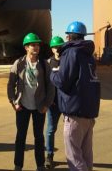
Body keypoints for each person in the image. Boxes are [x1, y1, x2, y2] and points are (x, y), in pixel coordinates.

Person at [50, 21, 100, 171]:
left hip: (74, 113)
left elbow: (63, 81)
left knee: (74, 157)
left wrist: (53, 73)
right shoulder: (88, 55)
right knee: (86, 155)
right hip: (88, 113)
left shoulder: (71, 52)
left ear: (69, 36)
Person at [7, 33, 55, 171]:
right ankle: (18, 165)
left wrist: (47, 104)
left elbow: (51, 86)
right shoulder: (19, 63)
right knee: (20, 137)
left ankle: (40, 165)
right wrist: (14, 102)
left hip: (39, 107)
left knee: (39, 137)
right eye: (33, 45)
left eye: (38, 44)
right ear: (26, 47)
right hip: (22, 106)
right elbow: (11, 84)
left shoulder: (44, 64)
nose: (36, 47)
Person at [45, 36, 64, 169]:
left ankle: (74, 156)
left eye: (59, 46)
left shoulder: (68, 61)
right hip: (53, 104)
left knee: (71, 131)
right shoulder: (47, 63)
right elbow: (45, 83)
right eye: (55, 47)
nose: (57, 49)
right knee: (51, 130)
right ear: (51, 49)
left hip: (68, 103)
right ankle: (49, 155)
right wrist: (47, 100)